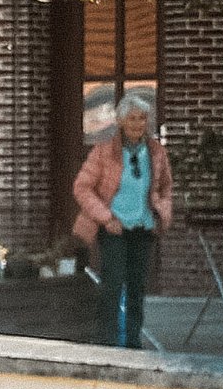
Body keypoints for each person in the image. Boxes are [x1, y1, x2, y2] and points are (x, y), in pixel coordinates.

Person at [71, 94, 175, 348]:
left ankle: (133, 342)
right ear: (120, 121)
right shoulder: (104, 151)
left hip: (143, 227)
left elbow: (165, 187)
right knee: (113, 286)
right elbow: (82, 187)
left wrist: (161, 212)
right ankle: (107, 342)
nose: (138, 124)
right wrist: (106, 218)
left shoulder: (156, 152)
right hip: (114, 228)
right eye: (132, 119)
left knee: (137, 288)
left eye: (142, 119)